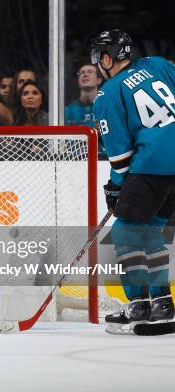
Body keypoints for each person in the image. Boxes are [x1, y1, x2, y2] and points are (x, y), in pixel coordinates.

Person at [90, 29, 175, 333]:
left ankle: (137, 305)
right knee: (152, 230)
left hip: (152, 165)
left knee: (126, 232)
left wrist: (115, 186)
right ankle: (163, 303)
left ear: (108, 58)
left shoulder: (108, 93)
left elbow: (120, 154)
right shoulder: (157, 64)